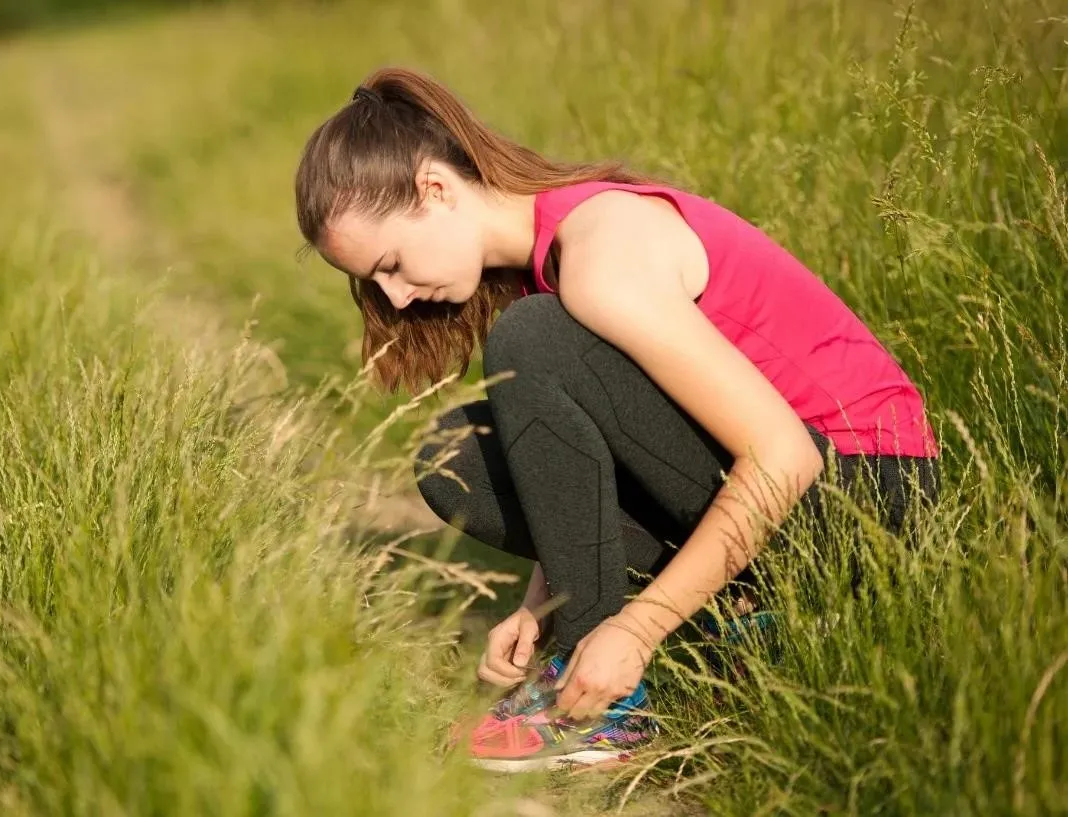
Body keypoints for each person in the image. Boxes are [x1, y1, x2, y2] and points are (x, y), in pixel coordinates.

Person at [292, 66, 941, 772]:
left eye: (390, 263)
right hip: (804, 503)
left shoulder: (601, 253)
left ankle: (606, 701)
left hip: (874, 504)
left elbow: (785, 457)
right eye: (374, 283)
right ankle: (742, 628)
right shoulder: (556, 261)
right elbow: (589, 455)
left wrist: (634, 628)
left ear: (435, 188)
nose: (397, 296)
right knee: (459, 458)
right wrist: (542, 605)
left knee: (529, 338)